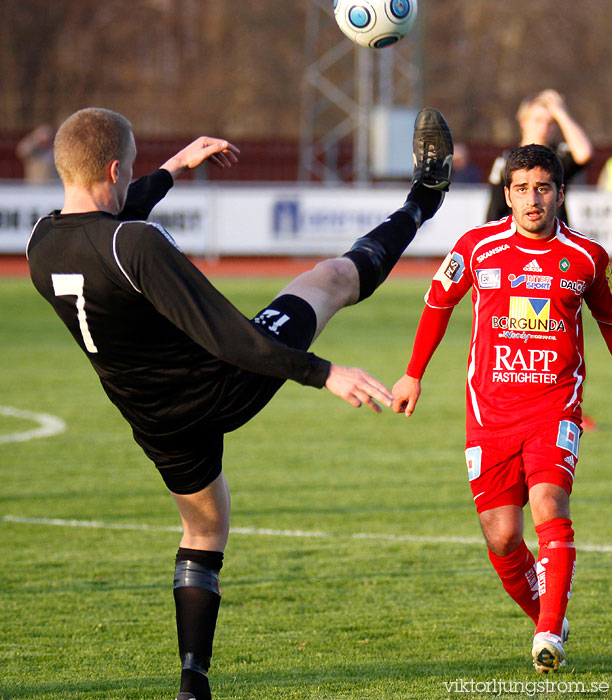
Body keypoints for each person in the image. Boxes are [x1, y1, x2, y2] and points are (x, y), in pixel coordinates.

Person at [26, 106, 453, 700]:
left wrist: (175, 166)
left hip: (155, 421)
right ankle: (424, 200)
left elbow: (104, 222)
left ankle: (192, 682)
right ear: (116, 168)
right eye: (134, 170)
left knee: (204, 530)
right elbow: (229, 336)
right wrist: (323, 372)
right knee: (329, 279)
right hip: (223, 384)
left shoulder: (41, 243)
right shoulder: (139, 245)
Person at [392, 144, 612, 673]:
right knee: (503, 535)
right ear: (507, 194)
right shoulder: (475, 247)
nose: (532, 199)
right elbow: (437, 304)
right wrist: (413, 373)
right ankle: (549, 616)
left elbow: (609, 321)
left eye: (543, 187)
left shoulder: (587, 257)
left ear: (560, 192)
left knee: (549, 511)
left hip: (554, 408)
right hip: (489, 415)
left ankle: (547, 635)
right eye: (522, 189)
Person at [486, 90, 593, 225]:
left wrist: (561, 114)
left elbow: (584, 154)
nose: (543, 128)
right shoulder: (506, 160)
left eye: (550, 123)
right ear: (523, 121)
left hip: (554, 236)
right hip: (518, 236)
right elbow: (495, 209)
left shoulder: (557, 157)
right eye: (538, 120)